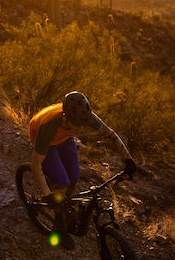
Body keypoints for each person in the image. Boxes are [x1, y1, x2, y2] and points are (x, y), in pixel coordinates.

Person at [29, 91, 137, 250]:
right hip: (45, 138)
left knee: (74, 177)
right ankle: (59, 223)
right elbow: (35, 165)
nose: (80, 129)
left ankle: (66, 205)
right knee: (62, 181)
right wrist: (48, 195)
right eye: (77, 125)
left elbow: (110, 134)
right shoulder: (49, 126)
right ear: (65, 117)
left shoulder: (85, 117)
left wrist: (128, 159)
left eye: (82, 124)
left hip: (65, 138)